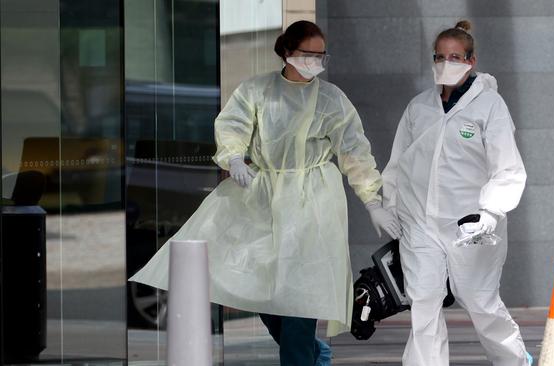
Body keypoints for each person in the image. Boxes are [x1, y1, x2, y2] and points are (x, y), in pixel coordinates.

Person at [130, 20, 400, 366]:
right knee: (261, 292)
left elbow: (354, 152)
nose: (315, 63)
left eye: (322, 56)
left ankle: (303, 356)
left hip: (312, 201)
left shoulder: (331, 100)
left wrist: (372, 201)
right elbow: (233, 125)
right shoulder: (257, 91)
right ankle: (315, 353)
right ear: (287, 52)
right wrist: (233, 157)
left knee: (300, 295)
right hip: (262, 198)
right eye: (308, 54)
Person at [382, 20, 533, 365]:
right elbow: (398, 162)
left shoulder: (489, 107)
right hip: (420, 222)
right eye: (440, 57)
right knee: (423, 301)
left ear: (471, 61)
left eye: (455, 57)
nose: (446, 63)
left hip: (471, 225)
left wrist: (490, 213)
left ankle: (514, 360)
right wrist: (387, 204)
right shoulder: (419, 107)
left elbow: (507, 167)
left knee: (479, 301)